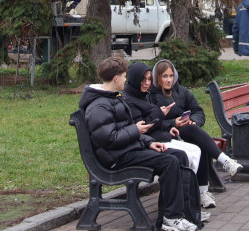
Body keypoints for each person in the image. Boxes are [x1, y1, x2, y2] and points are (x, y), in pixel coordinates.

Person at [80, 57, 202, 231]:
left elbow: (129, 129)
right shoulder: (99, 106)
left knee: (178, 155)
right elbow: (110, 139)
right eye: (123, 76)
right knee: (169, 161)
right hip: (117, 158)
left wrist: (149, 142)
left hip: (128, 149)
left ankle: (177, 214)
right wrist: (137, 132)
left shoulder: (113, 98)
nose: (125, 80)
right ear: (116, 78)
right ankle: (171, 218)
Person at [151, 60, 242, 209]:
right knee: (196, 136)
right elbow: (152, 122)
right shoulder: (152, 96)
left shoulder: (182, 91)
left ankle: (203, 192)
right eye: (164, 76)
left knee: (200, 142)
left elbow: (198, 111)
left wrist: (194, 120)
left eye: (171, 76)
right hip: (168, 135)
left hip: (188, 132)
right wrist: (173, 123)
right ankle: (225, 161)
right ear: (157, 77)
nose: (169, 80)